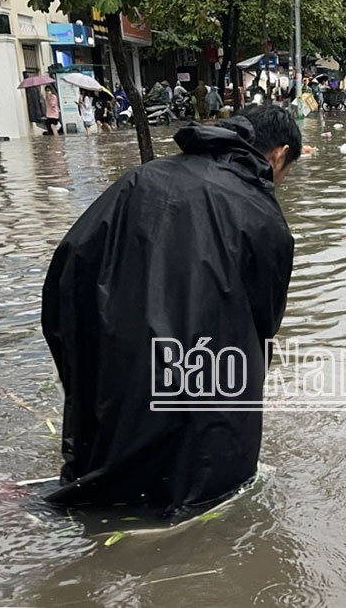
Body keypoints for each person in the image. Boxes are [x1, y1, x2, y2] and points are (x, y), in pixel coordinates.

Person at [41, 105, 301, 519]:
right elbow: (262, 324)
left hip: (121, 356)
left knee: (115, 462)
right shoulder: (263, 216)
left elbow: (69, 271)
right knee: (199, 481)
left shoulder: (140, 178)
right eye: (284, 174)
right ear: (279, 155)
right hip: (201, 373)